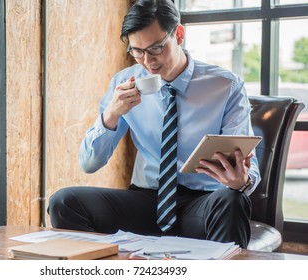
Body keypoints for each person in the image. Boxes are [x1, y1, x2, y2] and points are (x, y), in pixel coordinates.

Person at [48, 0, 260, 249]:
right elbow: (89, 163)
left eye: (156, 48)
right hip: (145, 202)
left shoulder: (226, 86)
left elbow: (248, 168)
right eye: (137, 51)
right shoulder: (125, 83)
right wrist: (112, 114)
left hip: (203, 205)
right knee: (65, 201)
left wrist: (240, 182)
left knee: (231, 200)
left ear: (179, 34)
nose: (147, 61)